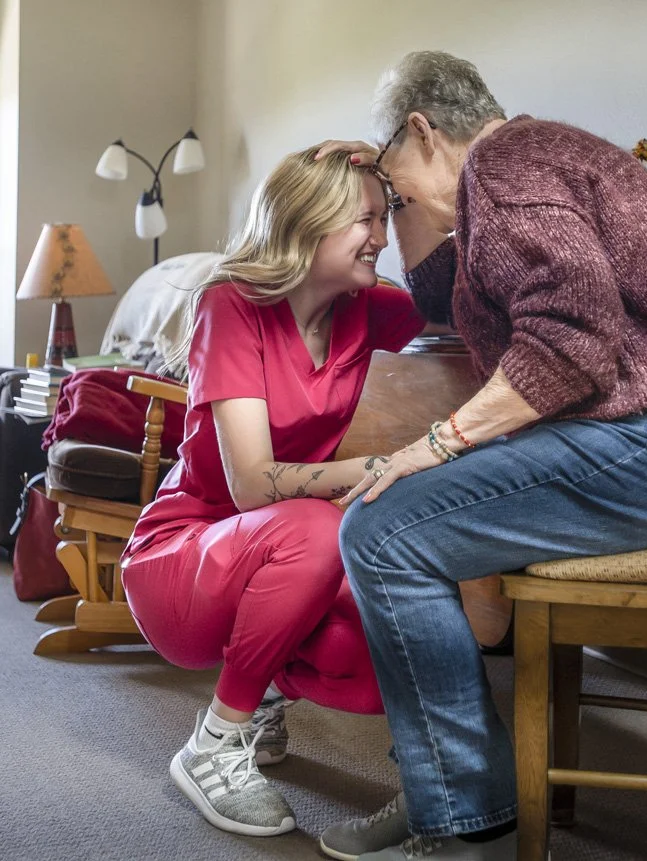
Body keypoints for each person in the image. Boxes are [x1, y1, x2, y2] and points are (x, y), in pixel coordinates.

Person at [315, 51, 647, 860]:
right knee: (396, 524)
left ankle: (464, 819)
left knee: (382, 530)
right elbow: (443, 295)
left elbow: (571, 347)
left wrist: (437, 443)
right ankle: (446, 793)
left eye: (391, 165)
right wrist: (395, 184)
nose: (390, 192)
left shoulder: (505, 170)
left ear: (422, 130)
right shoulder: (532, 159)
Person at [119, 146, 425, 838]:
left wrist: (400, 173)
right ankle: (215, 741)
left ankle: (278, 703)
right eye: (365, 220)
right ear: (307, 222)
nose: (380, 237)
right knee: (317, 529)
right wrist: (373, 467)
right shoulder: (230, 305)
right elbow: (253, 484)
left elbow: (458, 305)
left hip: (289, 558)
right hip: (185, 558)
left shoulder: (371, 309)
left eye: (386, 217)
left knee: (395, 622)